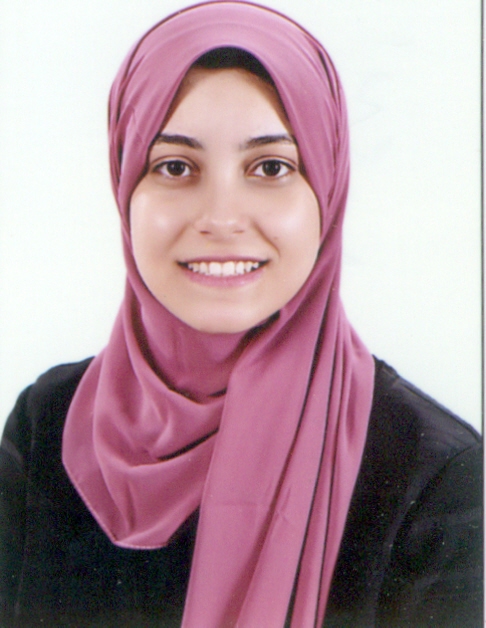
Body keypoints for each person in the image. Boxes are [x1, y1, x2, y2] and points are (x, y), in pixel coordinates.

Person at [0, 2, 481, 626]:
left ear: (327, 190)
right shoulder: (48, 424)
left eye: (271, 167)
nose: (222, 217)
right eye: (175, 167)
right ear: (124, 185)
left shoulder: (431, 474)